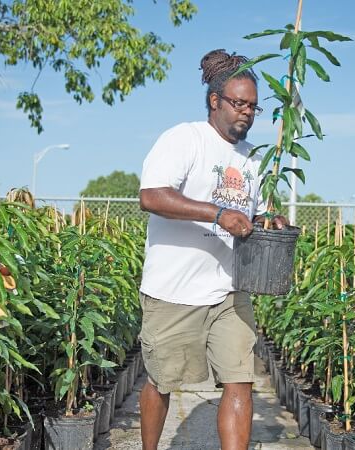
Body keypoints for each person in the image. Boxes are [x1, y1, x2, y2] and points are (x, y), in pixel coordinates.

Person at [138, 49, 288, 450]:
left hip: (228, 289)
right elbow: (152, 196)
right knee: (162, 381)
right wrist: (217, 213)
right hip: (174, 291)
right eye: (239, 103)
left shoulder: (254, 159)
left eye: (254, 107)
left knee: (240, 380)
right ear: (215, 100)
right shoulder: (185, 139)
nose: (247, 113)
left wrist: (268, 221)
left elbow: (255, 214)